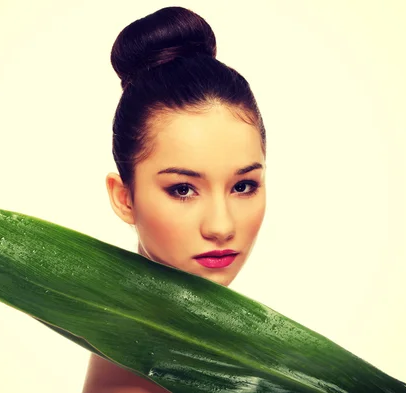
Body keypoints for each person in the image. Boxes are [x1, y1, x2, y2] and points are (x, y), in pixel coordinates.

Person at [82, 6, 267, 393]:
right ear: (124, 197)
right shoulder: (139, 371)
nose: (221, 226)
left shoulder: (206, 342)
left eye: (243, 186)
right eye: (183, 189)